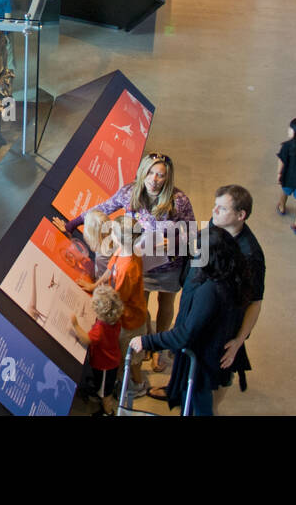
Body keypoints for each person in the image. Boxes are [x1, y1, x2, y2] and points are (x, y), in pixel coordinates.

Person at [58, 153, 194, 372]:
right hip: (140, 264)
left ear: (168, 178)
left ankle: (159, 348)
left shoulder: (179, 201)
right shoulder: (130, 192)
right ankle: (148, 341)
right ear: (143, 172)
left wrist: (175, 241)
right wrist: (72, 223)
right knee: (142, 306)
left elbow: (192, 231)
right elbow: (104, 207)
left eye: (161, 175)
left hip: (169, 265)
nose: (154, 179)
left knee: (166, 306)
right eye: (150, 173)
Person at [129, 224, 245, 416]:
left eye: (198, 251)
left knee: (199, 403)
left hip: (203, 358)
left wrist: (147, 341)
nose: (194, 253)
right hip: (203, 350)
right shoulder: (227, 271)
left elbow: (186, 334)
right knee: (190, 397)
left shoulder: (211, 290)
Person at [78, 212, 148, 398]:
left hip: (131, 321)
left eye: (113, 231)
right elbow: (110, 270)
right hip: (122, 316)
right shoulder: (121, 250)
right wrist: (94, 285)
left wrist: (100, 305)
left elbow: (118, 300)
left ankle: (138, 384)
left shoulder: (129, 268)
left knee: (131, 357)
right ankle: (120, 379)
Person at [210, 184, 264, 411]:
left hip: (228, 323)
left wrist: (238, 341)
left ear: (240, 215)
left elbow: (255, 302)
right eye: (215, 205)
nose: (214, 211)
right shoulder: (217, 226)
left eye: (221, 208)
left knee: (223, 369)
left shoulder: (250, 255)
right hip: (210, 309)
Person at [71, 284, 124, 416]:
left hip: (105, 365)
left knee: (106, 393)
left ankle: (108, 411)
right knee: (104, 385)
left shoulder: (100, 329)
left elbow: (87, 339)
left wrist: (75, 325)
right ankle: (101, 390)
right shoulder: (115, 321)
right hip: (112, 360)